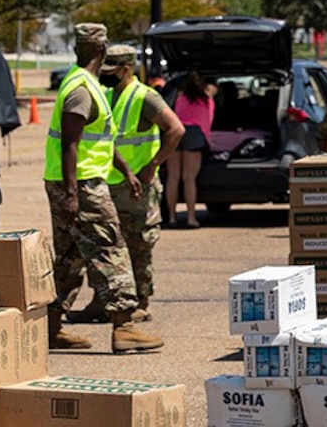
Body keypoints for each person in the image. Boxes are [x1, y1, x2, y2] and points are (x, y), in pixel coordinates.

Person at [45, 23, 162, 354]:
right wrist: (71, 194)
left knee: (68, 258)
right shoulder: (82, 88)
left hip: (73, 182)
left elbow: (98, 139)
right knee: (110, 249)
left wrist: (124, 169)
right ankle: (124, 327)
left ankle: (51, 327)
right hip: (81, 185)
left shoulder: (85, 84)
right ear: (102, 51)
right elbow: (70, 142)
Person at [72, 44, 184, 323]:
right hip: (108, 184)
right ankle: (103, 301)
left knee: (138, 246)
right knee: (106, 248)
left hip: (137, 188)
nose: (106, 76)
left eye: (113, 71)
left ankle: (140, 302)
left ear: (126, 69)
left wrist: (153, 164)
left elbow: (176, 129)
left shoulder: (145, 97)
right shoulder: (108, 94)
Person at [166, 70, 215, 228]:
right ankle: (191, 217)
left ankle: (172, 217)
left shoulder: (179, 98)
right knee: (189, 178)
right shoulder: (206, 99)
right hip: (195, 134)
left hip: (176, 132)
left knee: (173, 177)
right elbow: (214, 90)